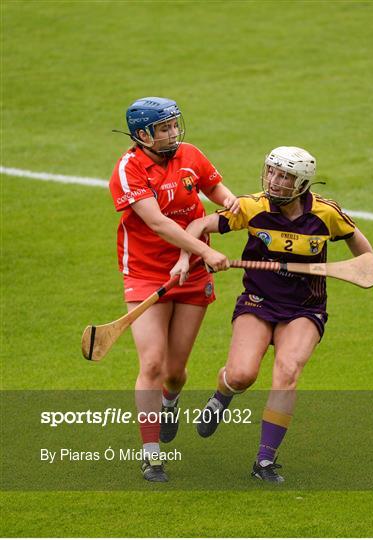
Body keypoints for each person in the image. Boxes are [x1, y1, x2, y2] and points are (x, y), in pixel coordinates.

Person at [170, 145, 373, 483]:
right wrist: (197, 254)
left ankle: (264, 461)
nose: (274, 181)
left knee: (288, 370)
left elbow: (357, 243)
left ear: (302, 184)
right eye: (272, 171)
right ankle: (221, 397)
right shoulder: (252, 207)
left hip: (305, 308)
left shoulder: (326, 214)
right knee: (241, 376)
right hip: (257, 300)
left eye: (284, 176)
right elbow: (196, 226)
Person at [109, 96, 238, 483]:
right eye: (164, 128)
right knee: (151, 363)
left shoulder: (191, 155)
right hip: (147, 274)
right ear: (143, 134)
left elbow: (220, 193)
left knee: (175, 372)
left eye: (174, 125)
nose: (173, 132)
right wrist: (203, 250)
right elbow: (160, 224)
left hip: (194, 274)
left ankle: (171, 401)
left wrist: (236, 207)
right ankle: (151, 457)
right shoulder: (128, 170)